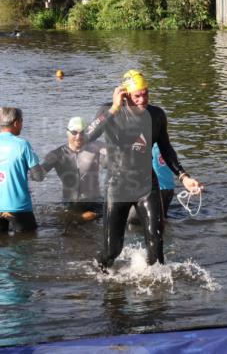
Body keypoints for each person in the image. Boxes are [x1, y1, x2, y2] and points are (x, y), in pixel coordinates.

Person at [85, 70, 204, 270]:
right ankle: (97, 273)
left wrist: (183, 177)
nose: (142, 100)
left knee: (156, 247)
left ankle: (157, 295)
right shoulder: (109, 112)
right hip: (118, 187)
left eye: (146, 93)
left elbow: (166, 148)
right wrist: (114, 108)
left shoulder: (156, 115)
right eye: (137, 95)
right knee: (112, 250)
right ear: (125, 96)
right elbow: (88, 136)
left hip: (147, 186)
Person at [41, 117, 106, 222]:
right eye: (74, 132)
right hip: (70, 203)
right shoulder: (58, 154)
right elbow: (38, 175)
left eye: (82, 133)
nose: (78, 136)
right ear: (67, 133)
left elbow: (114, 159)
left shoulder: (96, 148)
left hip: (95, 202)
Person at [0, 107, 44, 233]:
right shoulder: (22, 145)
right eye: (22, 121)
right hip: (18, 207)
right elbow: (38, 176)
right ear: (15, 123)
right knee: (27, 243)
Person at [128, 143, 176, 226]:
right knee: (159, 219)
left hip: (155, 189)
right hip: (169, 189)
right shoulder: (165, 145)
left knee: (132, 220)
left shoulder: (142, 143)